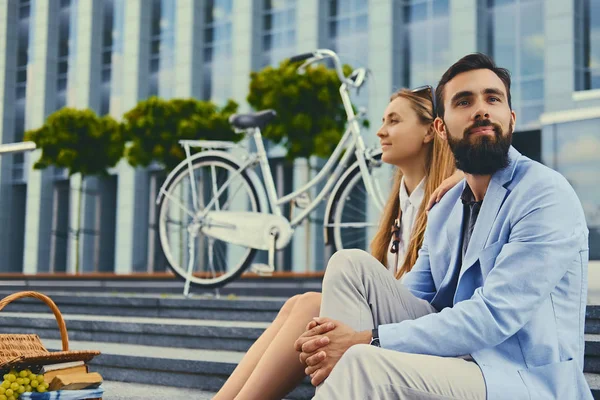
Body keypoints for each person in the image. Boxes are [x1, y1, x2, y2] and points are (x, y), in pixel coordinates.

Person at [294, 53, 592, 400]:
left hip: (524, 380)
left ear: (510, 118)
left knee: (362, 359)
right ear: (440, 128)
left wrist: (363, 339)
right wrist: (328, 342)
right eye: (464, 101)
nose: (481, 109)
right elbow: (410, 299)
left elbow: (492, 316)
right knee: (349, 265)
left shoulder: (545, 194)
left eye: (493, 99)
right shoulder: (446, 207)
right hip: (460, 363)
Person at [214, 87, 462, 400]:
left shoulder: (450, 197)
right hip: (396, 323)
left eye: (394, 121)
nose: (381, 131)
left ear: (430, 130)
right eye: (383, 120)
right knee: (299, 303)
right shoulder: (401, 205)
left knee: (312, 304)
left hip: (431, 337)